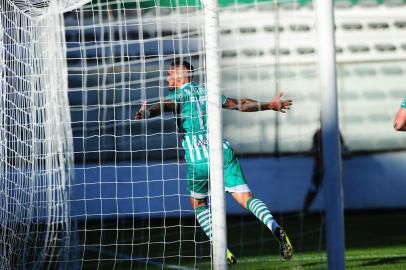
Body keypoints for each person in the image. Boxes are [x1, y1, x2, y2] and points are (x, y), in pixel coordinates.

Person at [135, 58, 293, 264]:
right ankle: (273, 226)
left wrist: (147, 111)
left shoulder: (177, 96)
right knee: (246, 198)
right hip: (222, 152)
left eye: (170, 74)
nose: (167, 78)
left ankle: (222, 249)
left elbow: (163, 106)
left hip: (197, 160)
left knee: (198, 203)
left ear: (180, 75)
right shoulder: (208, 92)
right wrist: (269, 105)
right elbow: (241, 105)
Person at [302, 128, 349, 213]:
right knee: (313, 189)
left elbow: (343, 147)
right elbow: (313, 149)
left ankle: (337, 210)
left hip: (334, 169)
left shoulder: (336, 132)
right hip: (319, 168)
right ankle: (304, 210)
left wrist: (345, 152)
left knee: (336, 190)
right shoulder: (318, 133)